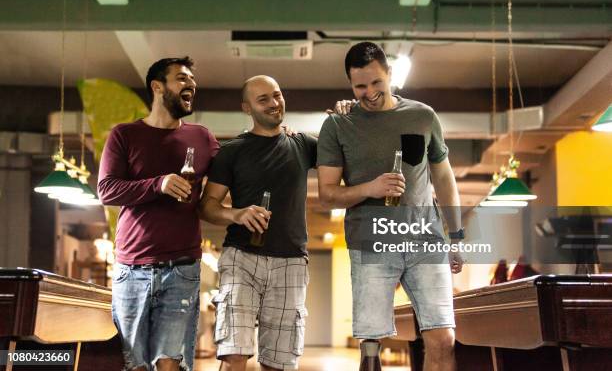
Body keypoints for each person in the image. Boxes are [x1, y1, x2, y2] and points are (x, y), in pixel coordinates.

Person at [317, 42, 464, 371]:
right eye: (359, 86)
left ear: (390, 75)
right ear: (350, 84)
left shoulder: (423, 116)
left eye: (376, 83)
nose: (368, 93)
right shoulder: (338, 125)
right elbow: (327, 195)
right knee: (371, 352)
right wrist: (371, 188)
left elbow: (443, 177)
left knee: (444, 340)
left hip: (425, 240)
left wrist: (456, 233)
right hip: (370, 244)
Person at [98, 57, 219, 371]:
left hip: (182, 269)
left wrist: (273, 136)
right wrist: (158, 184)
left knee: (170, 364)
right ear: (157, 86)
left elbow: (237, 170)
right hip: (131, 268)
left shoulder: (202, 138)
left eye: (192, 79)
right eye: (181, 78)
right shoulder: (124, 135)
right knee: (133, 363)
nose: (191, 84)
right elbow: (107, 190)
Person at [199, 75, 316, 371]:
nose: (274, 103)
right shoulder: (232, 151)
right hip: (241, 259)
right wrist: (236, 214)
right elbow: (207, 206)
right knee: (234, 354)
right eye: (263, 99)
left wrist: (345, 116)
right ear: (247, 108)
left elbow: (344, 150)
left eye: (277, 95)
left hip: (291, 261)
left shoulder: (302, 144)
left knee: (279, 362)